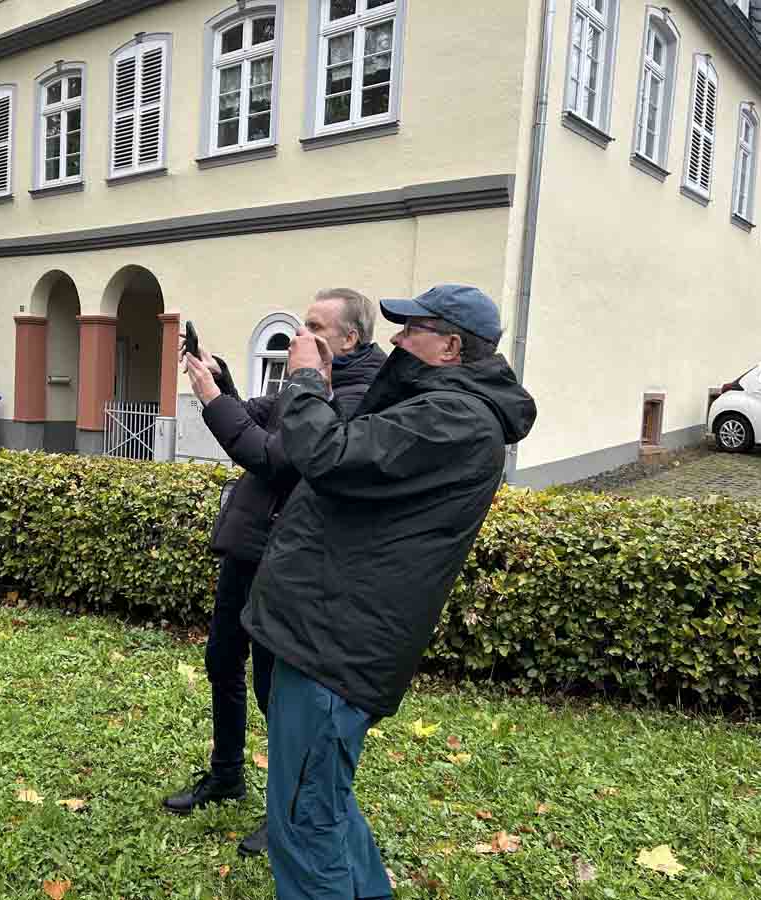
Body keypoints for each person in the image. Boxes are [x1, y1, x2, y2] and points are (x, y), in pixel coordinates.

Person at [186, 284, 536, 899]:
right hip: (329, 635)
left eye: (411, 330)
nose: (396, 340)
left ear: (450, 346)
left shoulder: (453, 418)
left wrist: (305, 382)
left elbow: (321, 453)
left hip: (335, 646)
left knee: (303, 820)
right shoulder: (440, 405)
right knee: (324, 800)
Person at [164, 289, 387, 859]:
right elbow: (262, 416)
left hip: (285, 559)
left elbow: (270, 455)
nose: (300, 333)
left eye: (315, 324)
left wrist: (212, 397)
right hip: (250, 543)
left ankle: (282, 808)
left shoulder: (357, 394)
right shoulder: (309, 378)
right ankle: (226, 773)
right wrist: (223, 383)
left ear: (350, 338)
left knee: (274, 691)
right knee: (221, 660)